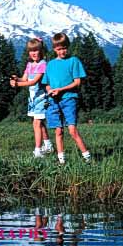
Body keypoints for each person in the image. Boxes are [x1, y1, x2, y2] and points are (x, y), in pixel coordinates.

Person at [41, 33, 91, 164]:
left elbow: (77, 82)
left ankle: (87, 157)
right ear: (54, 49)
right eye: (59, 49)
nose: (62, 51)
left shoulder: (73, 61)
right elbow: (46, 84)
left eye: (64, 48)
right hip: (54, 100)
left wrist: (61, 90)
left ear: (67, 47)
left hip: (69, 99)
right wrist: (50, 91)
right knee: (58, 131)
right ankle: (61, 160)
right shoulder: (50, 65)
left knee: (72, 130)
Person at [10, 38, 53, 158]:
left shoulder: (43, 64)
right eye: (31, 51)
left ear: (41, 51)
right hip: (33, 99)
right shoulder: (29, 65)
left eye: (36, 50)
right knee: (40, 123)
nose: (33, 53)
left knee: (36, 123)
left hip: (42, 99)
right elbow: (24, 79)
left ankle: (38, 151)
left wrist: (17, 84)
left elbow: (33, 82)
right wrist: (15, 78)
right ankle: (48, 145)